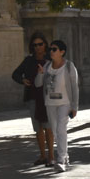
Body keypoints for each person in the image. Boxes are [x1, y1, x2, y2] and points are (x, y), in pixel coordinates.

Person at [35, 40, 79, 172]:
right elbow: (38, 84)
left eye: (54, 49)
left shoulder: (69, 67)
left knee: (61, 129)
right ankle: (64, 156)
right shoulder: (47, 66)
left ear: (62, 52)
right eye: (51, 49)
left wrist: (75, 106)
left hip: (65, 103)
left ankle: (61, 159)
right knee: (55, 131)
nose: (51, 52)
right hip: (50, 103)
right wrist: (40, 73)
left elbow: (75, 87)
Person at [12, 32, 54, 166]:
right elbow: (15, 74)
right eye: (35, 45)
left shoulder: (51, 60)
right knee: (38, 128)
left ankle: (51, 156)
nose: (38, 47)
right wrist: (22, 80)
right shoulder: (28, 60)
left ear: (45, 45)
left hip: (47, 97)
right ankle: (42, 155)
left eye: (40, 44)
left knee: (48, 127)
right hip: (32, 97)